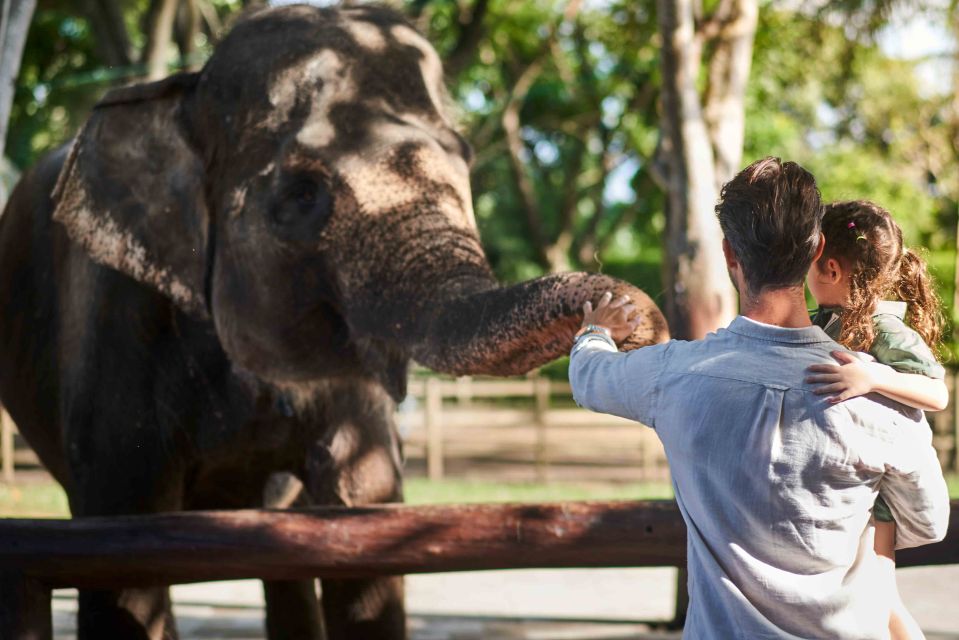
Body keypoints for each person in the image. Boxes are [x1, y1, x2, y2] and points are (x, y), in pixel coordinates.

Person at [568, 157, 950, 638]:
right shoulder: (880, 393)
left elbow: (587, 377)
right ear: (817, 249)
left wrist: (595, 331)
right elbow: (930, 523)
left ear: (731, 254)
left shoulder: (675, 376)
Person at [805, 200, 948, 640]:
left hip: (877, 499)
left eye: (807, 264)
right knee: (862, 601)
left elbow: (937, 392)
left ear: (830, 267)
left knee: (880, 599)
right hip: (851, 490)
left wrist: (874, 376)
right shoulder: (826, 321)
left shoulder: (885, 330)